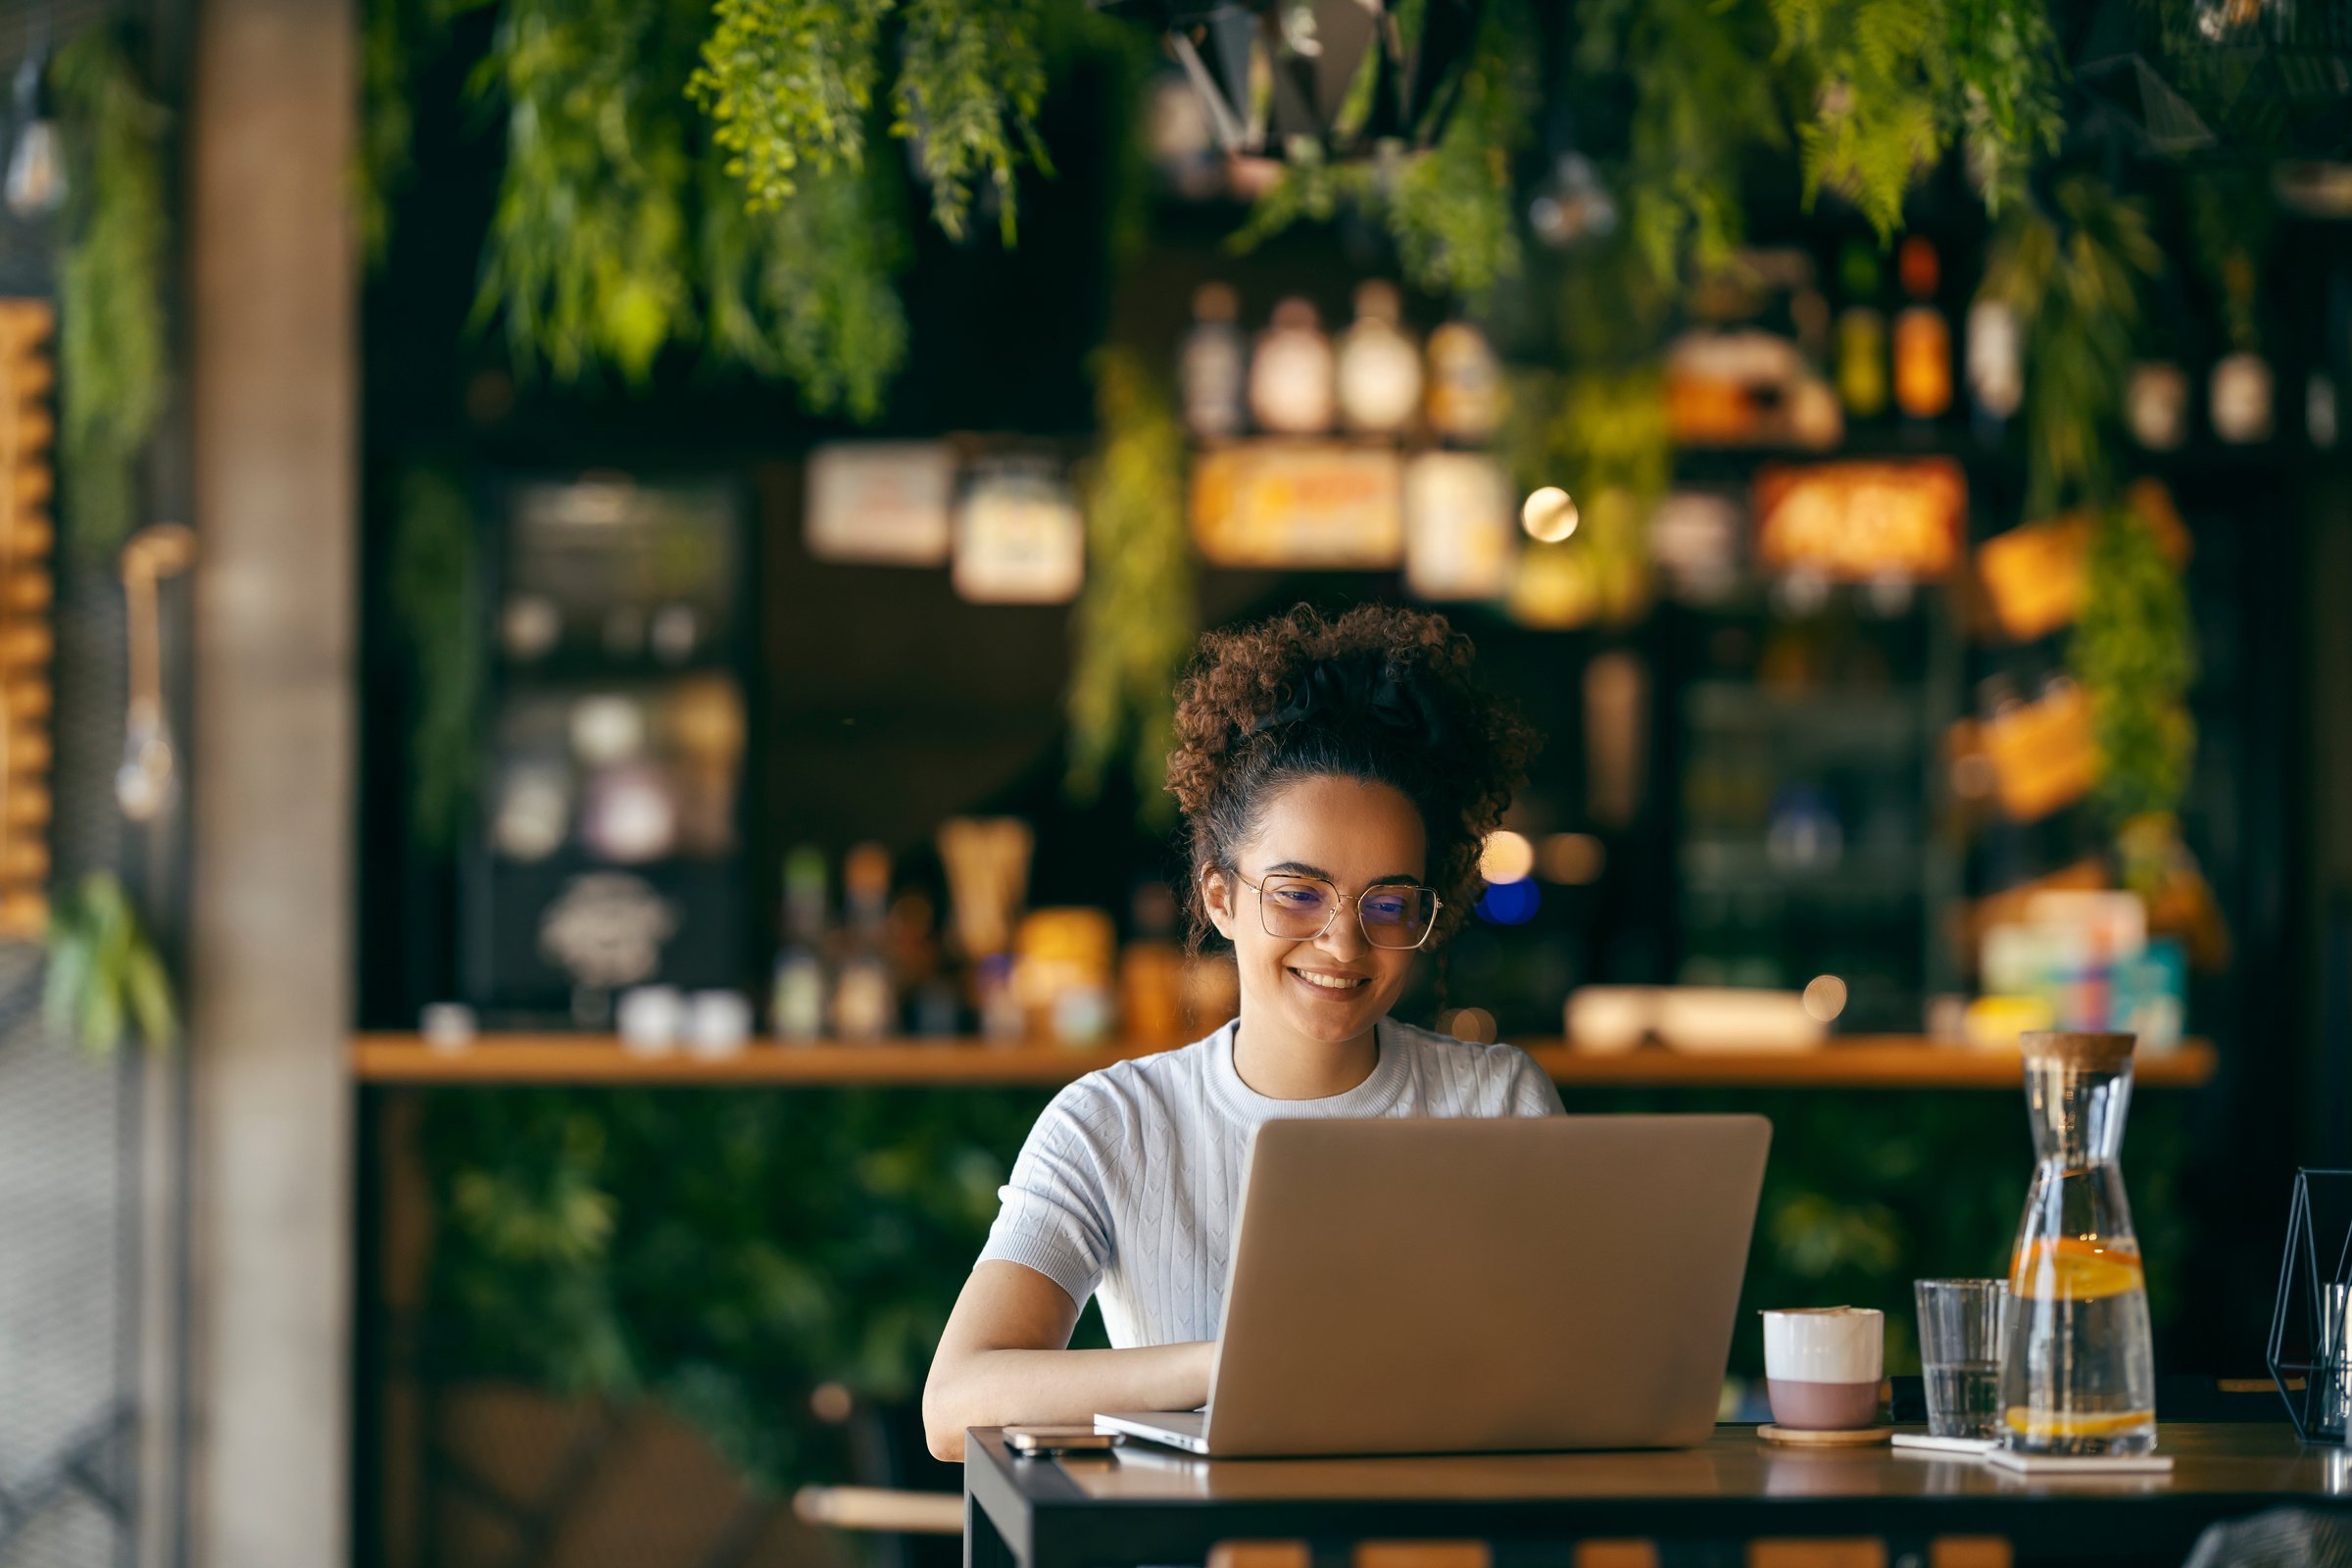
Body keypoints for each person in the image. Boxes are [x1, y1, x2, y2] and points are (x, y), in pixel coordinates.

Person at [922, 604, 1558, 1461]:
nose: (1343, 943)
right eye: (1297, 892)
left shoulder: (1497, 1102)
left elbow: (1562, 1385)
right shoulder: (1112, 1126)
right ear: (1221, 896)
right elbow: (956, 1406)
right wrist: (1237, 1367)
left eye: (1387, 903)